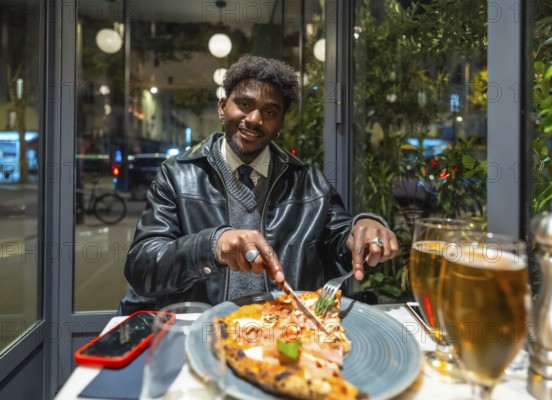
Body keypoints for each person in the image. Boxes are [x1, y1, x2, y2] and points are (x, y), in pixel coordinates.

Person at [120, 55, 399, 313]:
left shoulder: (309, 182)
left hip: (283, 335)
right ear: (222, 107)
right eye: (244, 104)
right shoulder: (177, 175)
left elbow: (342, 238)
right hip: (202, 335)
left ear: (280, 123)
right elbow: (143, 267)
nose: (254, 119)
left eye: (270, 112)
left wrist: (364, 229)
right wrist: (212, 246)